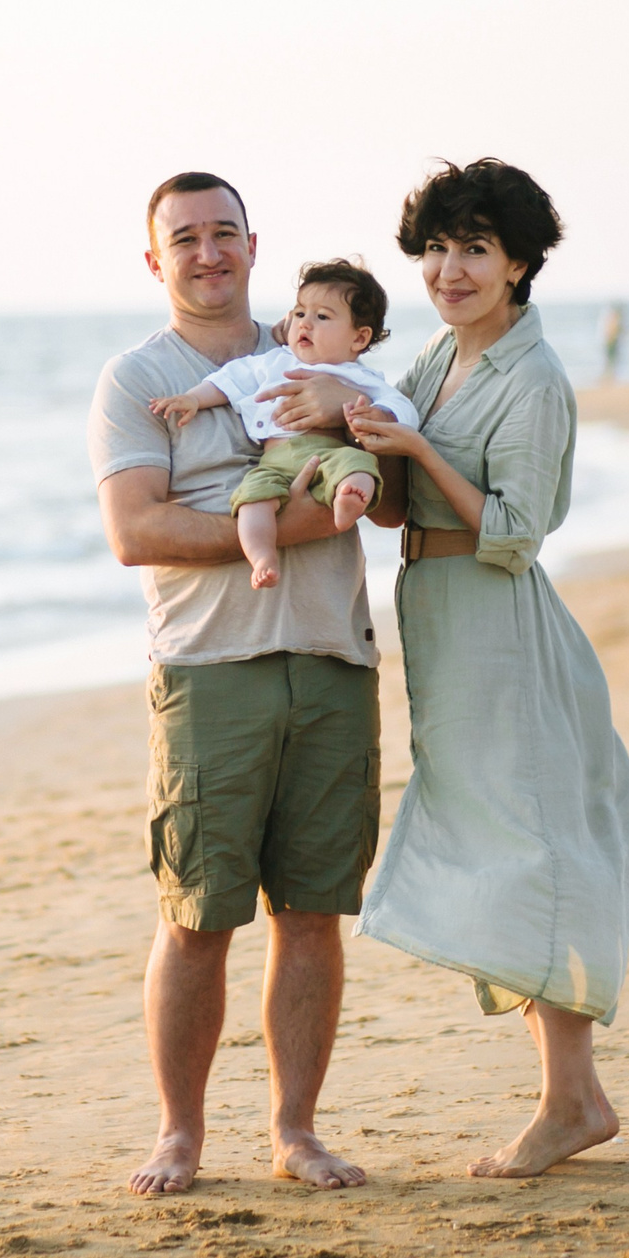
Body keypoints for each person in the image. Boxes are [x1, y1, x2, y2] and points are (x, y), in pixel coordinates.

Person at [87, 172, 383, 1196]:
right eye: (186, 239)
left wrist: (350, 421)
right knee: (197, 915)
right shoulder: (136, 378)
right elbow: (136, 530)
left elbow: (389, 481)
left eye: (224, 233)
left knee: (312, 912)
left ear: (254, 245)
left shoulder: (315, 349)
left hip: (333, 657)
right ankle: (179, 1134)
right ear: (155, 259)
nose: (208, 253)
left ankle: (295, 1132)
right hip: (209, 668)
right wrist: (294, 524)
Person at [345, 158, 629, 1179]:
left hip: (500, 622)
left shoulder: (533, 377)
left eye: (474, 248)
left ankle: (571, 1101)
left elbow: (515, 533)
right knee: (492, 839)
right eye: (435, 248)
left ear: (519, 262)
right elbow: (395, 505)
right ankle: (574, 1095)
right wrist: (359, 436)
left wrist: (419, 451)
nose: (449, 270)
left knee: (527, 848)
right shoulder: (437, 357)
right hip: (438, 615)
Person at [148, 259, 418, 590]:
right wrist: (193, 399)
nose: (305, 324)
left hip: (328, 454)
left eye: (322, 317)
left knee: (356, 464)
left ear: (359, 338)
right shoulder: (275, 360)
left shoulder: (360, 377)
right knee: (251, 499)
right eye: (300, 313)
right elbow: (231, 379)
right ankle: (262, 556)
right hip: (274, 460)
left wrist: (379, 415)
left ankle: (348, 499)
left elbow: (401, 407)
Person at [597, 301, 626, 384]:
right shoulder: (614, 318)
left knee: (610, 359)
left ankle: (610, 375)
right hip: (611, 342)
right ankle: (609, 375)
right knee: (610, 359)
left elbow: (613, 331)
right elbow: (612, 331)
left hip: (612, 342)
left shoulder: (613, 318)